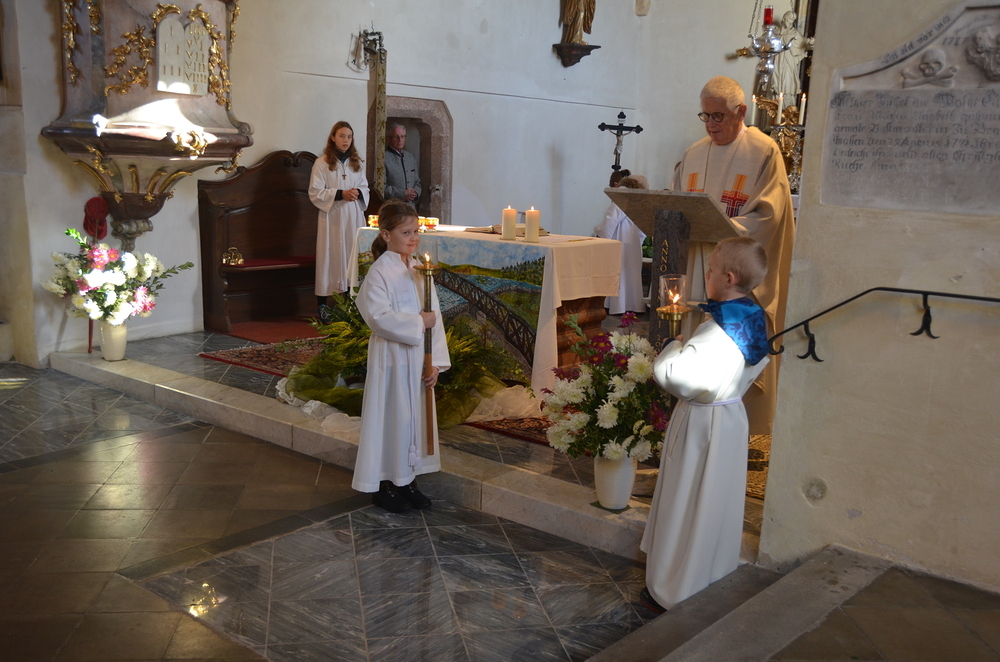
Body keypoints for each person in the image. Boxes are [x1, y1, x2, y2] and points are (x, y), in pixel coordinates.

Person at [640, 237, 771, 613]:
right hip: (729, 419)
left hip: (703, 424)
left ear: (728, 278)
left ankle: (675, 585)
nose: (706, 275)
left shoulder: (718, 331)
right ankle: (710, 571)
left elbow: (676, 375)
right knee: (714, 501)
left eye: (710, 270)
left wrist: (673, 345)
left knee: (689, 499)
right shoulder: (752, 315)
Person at [671, 75, 795, 436]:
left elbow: (769, 216)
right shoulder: (694, 153)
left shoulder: (763, 151)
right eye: (705, 116)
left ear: (741, 112)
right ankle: (689, 416)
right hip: (697, 267)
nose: (710, 124)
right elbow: (677, 204)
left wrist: (721, 229)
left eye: (718, 116)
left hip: (735, 273)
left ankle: (739, 425)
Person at [352, 200, 450, 512]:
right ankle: (382, 484)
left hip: (418, 360)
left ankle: (406, 480)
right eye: (406, 232)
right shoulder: (380, 272)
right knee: (390, 418)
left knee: (411, 419)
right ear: (386, 235)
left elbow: (435, 317)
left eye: (416, 231)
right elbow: (377, 317)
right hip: (392, 359)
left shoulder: (419, 269)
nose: (414, 238)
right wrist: (418, 322)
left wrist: (436, 363)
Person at [309, 121, 369, 317]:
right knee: (329, 257)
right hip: (332, 217)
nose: (346, 140)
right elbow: (315, 191)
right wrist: (340, 194)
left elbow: (365, 187)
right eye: (342, 136)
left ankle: (351, 306)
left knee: (352, 256)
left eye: (349, 137)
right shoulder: (322, 162)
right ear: (333, 137)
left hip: (353, 216)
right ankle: (323, 305)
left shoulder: (356, 163)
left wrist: (358, 192)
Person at [594, 175, 648, 315]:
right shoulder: (639, 201)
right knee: (631, 275)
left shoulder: (621, 198)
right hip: (633, 243)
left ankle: (617, 306)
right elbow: (643, 229)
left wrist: (599, 233)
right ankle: (633, 305)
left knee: (619, 273)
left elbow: (611, 221)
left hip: (620, 241)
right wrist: (638, 242)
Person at [773, 11, 814, 108]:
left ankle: (787, 112)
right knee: (774, 87)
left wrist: (812, 42)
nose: (790, 23)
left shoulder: (794, 33)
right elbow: (763, 44)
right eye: (789, 20)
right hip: (775, 62)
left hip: (788, 63)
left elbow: (805, 43)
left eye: (792, 21)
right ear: (784, 19)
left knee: (787, 86)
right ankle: (773, 113)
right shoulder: (775, 32)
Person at [384, 123, 421, 204]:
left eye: (402, 136)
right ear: (389, 138)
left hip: (410, 207)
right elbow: (381, 187)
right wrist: (402, 194)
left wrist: (415, 193)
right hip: (393, 206)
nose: (400, 139)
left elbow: (417, 182)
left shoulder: (410, 157)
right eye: (396, 136)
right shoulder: (383, 158)